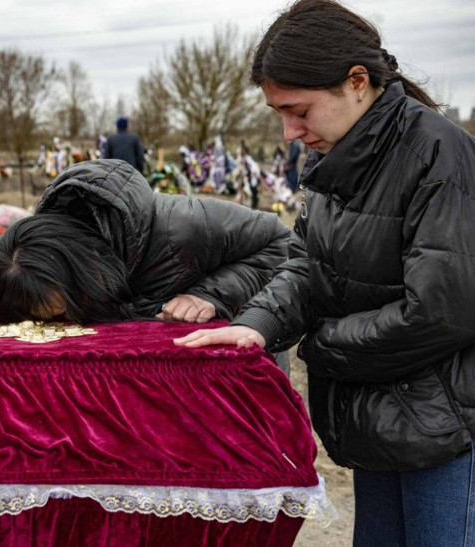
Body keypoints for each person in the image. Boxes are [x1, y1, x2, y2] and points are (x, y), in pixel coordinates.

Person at [174, 0, 475, 544]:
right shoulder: (338, 157)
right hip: (377, 421)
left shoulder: (439, 154)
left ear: (356, 82)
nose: (290, 131)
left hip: (447, 431)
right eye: (279, 113)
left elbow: (438, 312)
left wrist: (319, 344)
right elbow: (307, 264)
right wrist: (257, 324)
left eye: (300, 111)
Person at [0, 159, 291, 371]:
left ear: (85, 262)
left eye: (65, 311)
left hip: (234, 373)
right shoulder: (35, 267)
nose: (66, 323)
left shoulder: (184, 227)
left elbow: (281, 245)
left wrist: (212, 294)